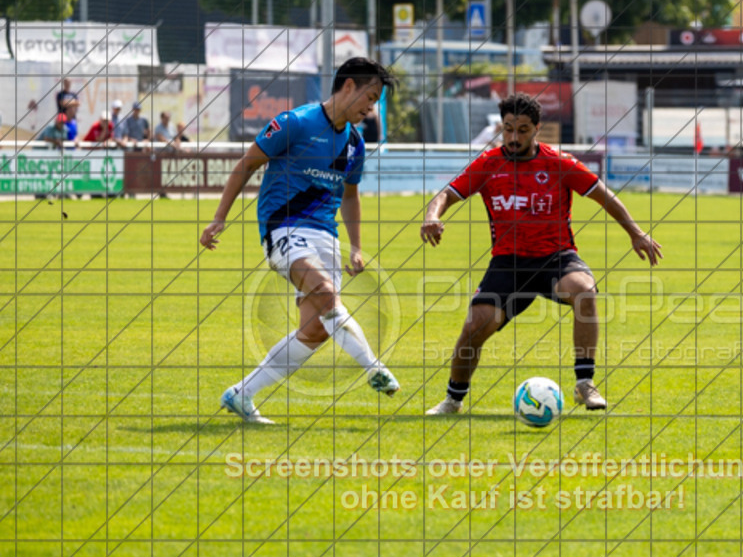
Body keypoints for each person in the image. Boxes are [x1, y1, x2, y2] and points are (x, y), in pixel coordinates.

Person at [420, 92, 663, 415]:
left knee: (585, 292)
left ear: (536, 128)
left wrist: (636, 232)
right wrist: (432, 216)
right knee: (475, 326)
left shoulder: (559, 163)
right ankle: (453, 400)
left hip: (556, 258)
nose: (513, 137)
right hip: (509, 264)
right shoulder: (488, 164)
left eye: (521, 130)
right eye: (507, 129)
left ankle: (584, 384)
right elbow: (447, 194)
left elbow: (605, 197)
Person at [200, 57, 400, 424]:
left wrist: (355, 246)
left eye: (376, 102)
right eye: (369, 97)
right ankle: (374, 367)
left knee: (317, 329)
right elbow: (247, 164)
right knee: (326, 296)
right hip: (284, 227)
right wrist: (219, 217)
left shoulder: (355, 143)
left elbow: (350, 196)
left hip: (327, 236)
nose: (371, 109)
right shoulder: (295, 123)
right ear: (349, 86)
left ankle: (242, 394)